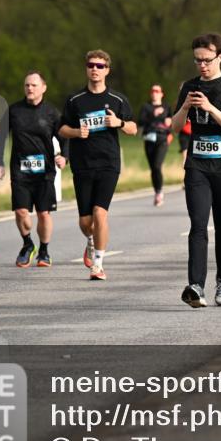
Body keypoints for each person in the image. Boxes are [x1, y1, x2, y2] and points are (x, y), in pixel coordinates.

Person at [172, 33, 221, 308]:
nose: (202, 65)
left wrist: (209, 107)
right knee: (198, 225)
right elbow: (175, 127)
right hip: (197, 167)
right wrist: (185, 106)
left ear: (220, 58)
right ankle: (195, 286)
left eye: (207, 60)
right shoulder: (189, 87)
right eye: (197, 60)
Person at [58, 49, 136, 281]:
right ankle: (91, 241)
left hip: (108, 163)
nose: (95, 69)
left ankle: (98, 264)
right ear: (86, 68)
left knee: (100, 213)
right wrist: (75, 132)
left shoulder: (117, 100)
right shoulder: (75, 100)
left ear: (107, 70)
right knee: (85, 221)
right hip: (82, 164)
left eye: (100, 66)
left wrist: (118, 122)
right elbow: (61, 129)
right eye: (91, 65)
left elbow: (133, 128)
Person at [0, 71, 68, 268]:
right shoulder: (14, 110)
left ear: (43, 88)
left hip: (45, 172)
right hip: (20, 170)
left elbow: (64, 137)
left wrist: (64, 156)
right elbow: (0, 136)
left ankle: (44, 251)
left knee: (44, 213)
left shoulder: (52, 113)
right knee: (21, 212)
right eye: (27, 85)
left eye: (34, 85)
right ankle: (27, 244)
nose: (30, 88)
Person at [138, 84, 173, 206]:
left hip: (162, 138)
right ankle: (157, 190)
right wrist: (154, 114)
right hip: (149, 139)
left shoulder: (167, 106)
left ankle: (159, 193)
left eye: (157, 91)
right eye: (153, 91)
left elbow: (172, 120)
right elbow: (140, 122)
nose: (154, 93)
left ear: (161, 94)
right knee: (153, 168)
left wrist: (170, 124)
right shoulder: (146, 107)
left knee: (157, 165)